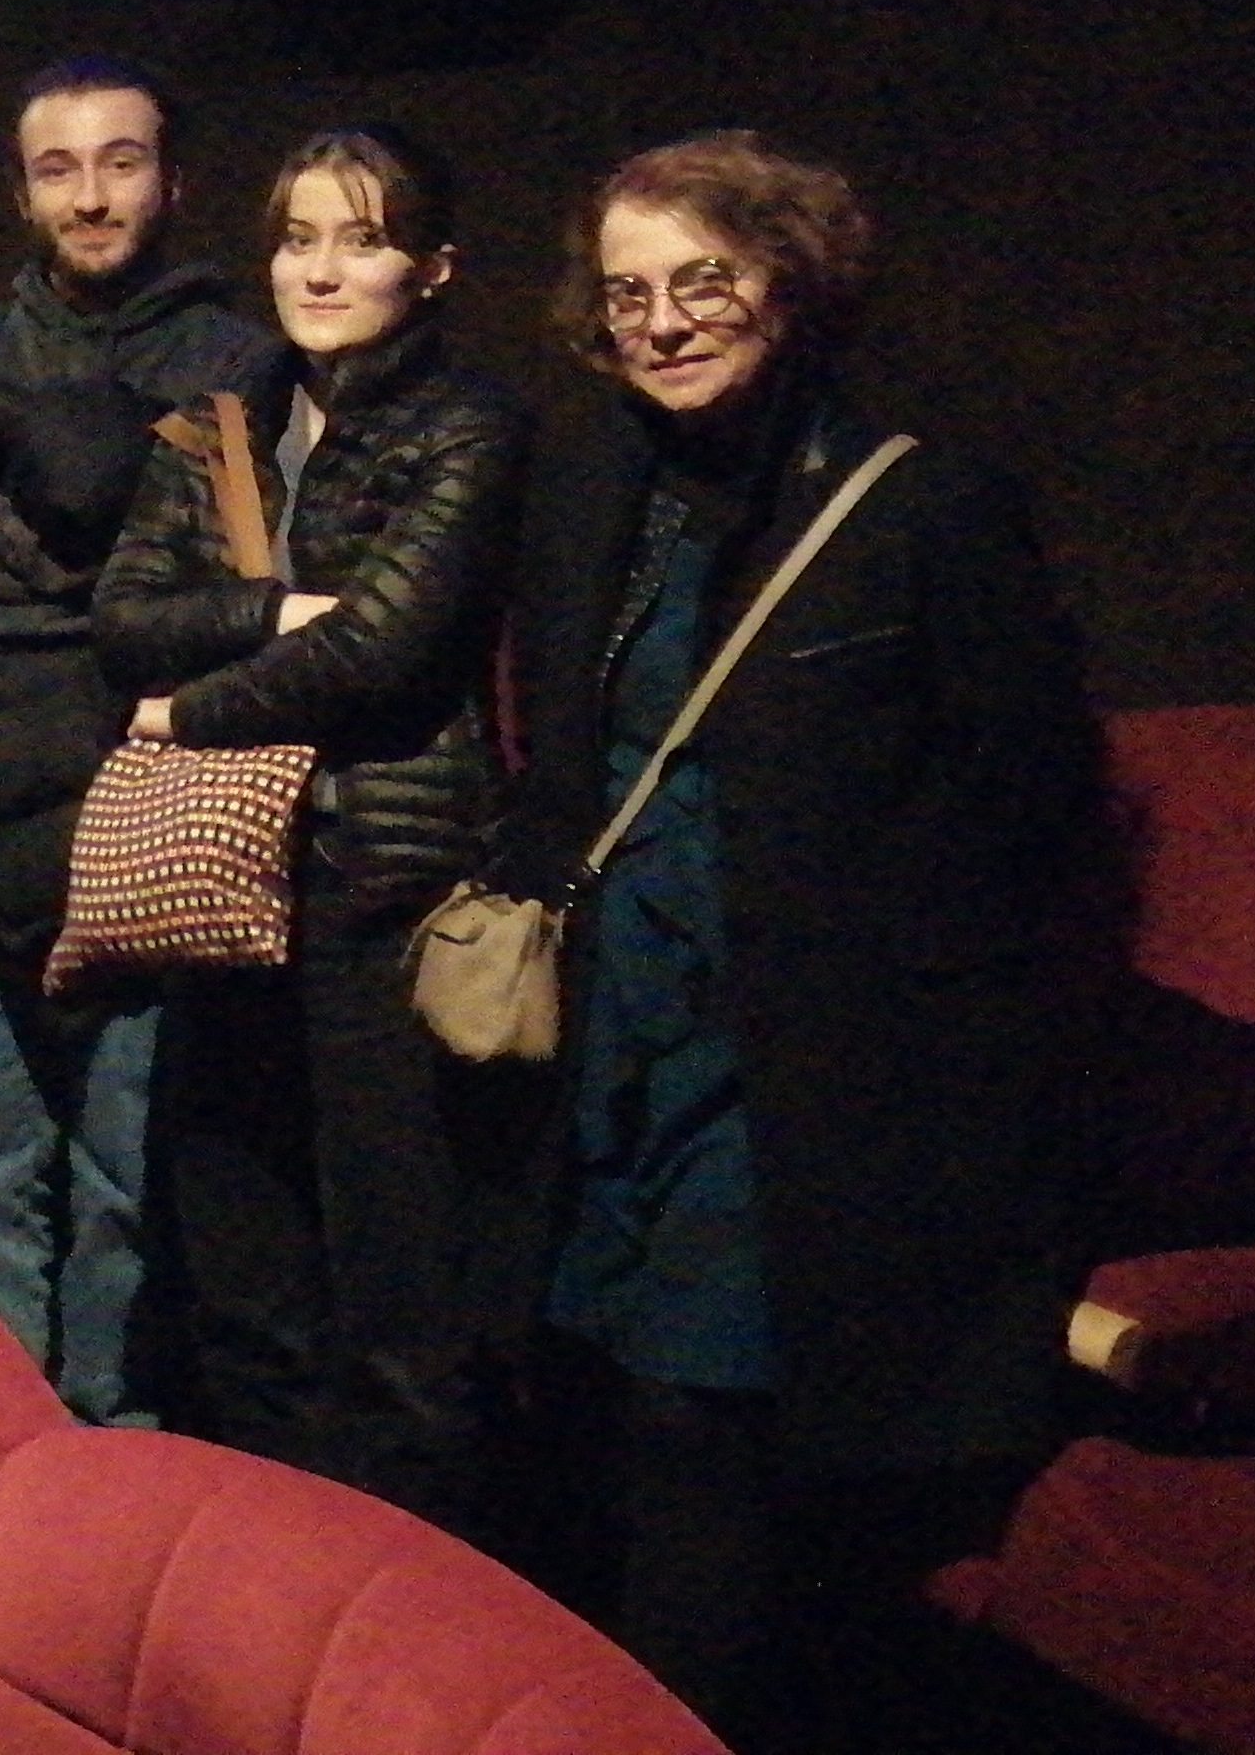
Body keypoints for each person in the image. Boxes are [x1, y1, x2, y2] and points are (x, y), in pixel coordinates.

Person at [487, 132, 1100, 1745]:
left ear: (792, 280)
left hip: (794, 1073)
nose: (661, 322)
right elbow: (567, 758)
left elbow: (1034, 801)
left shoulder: (925, 507)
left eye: (703, 281)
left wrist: (884, 994)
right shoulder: (597, 487)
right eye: (628, 292)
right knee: (593, 1403)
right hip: (613, 1036)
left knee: (703, 1418)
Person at [91, 126, 528, 1521]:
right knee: (242, 1270)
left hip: (373, 884)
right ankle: (269, 1572)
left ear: (432, 267)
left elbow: (385, 649)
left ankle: (408, 1597)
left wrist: (184, 711)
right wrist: (279, 609)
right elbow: (124, 614)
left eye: (361, 239)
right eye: (296, 239)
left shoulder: (469, 422)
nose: (320, 271)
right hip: (222, 884)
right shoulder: (223, 415)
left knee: (399, 1288)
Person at [0, 58, 274, 1425]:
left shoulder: (230, 361)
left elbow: (232, 591)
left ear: (173, 181)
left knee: (124, 1167)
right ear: (21, 193)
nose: (91, 195)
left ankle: (107, 1447)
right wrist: (109, 588)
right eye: (59, 167)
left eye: (120, 161)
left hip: (143, 799)